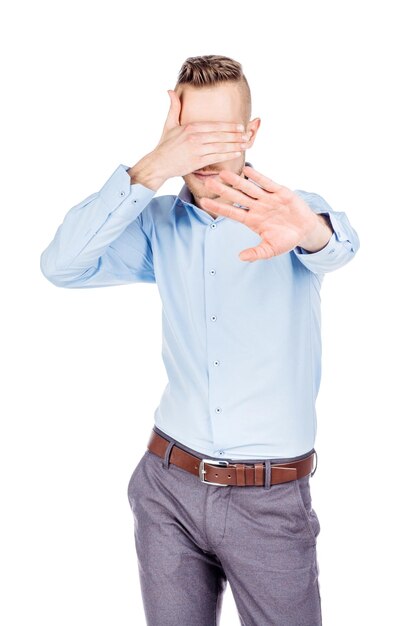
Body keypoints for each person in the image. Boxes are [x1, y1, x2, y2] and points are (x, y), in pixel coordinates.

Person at [40, 54, 360, 626]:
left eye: (222, 134)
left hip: (268, 501)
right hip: (168, 487)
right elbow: (62, 266)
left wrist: (310, 232)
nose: (206, 153)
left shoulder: (290, 212)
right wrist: (148, 170)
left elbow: (335, 246)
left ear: (252, 133)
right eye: (191, 136)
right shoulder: (157, 223)